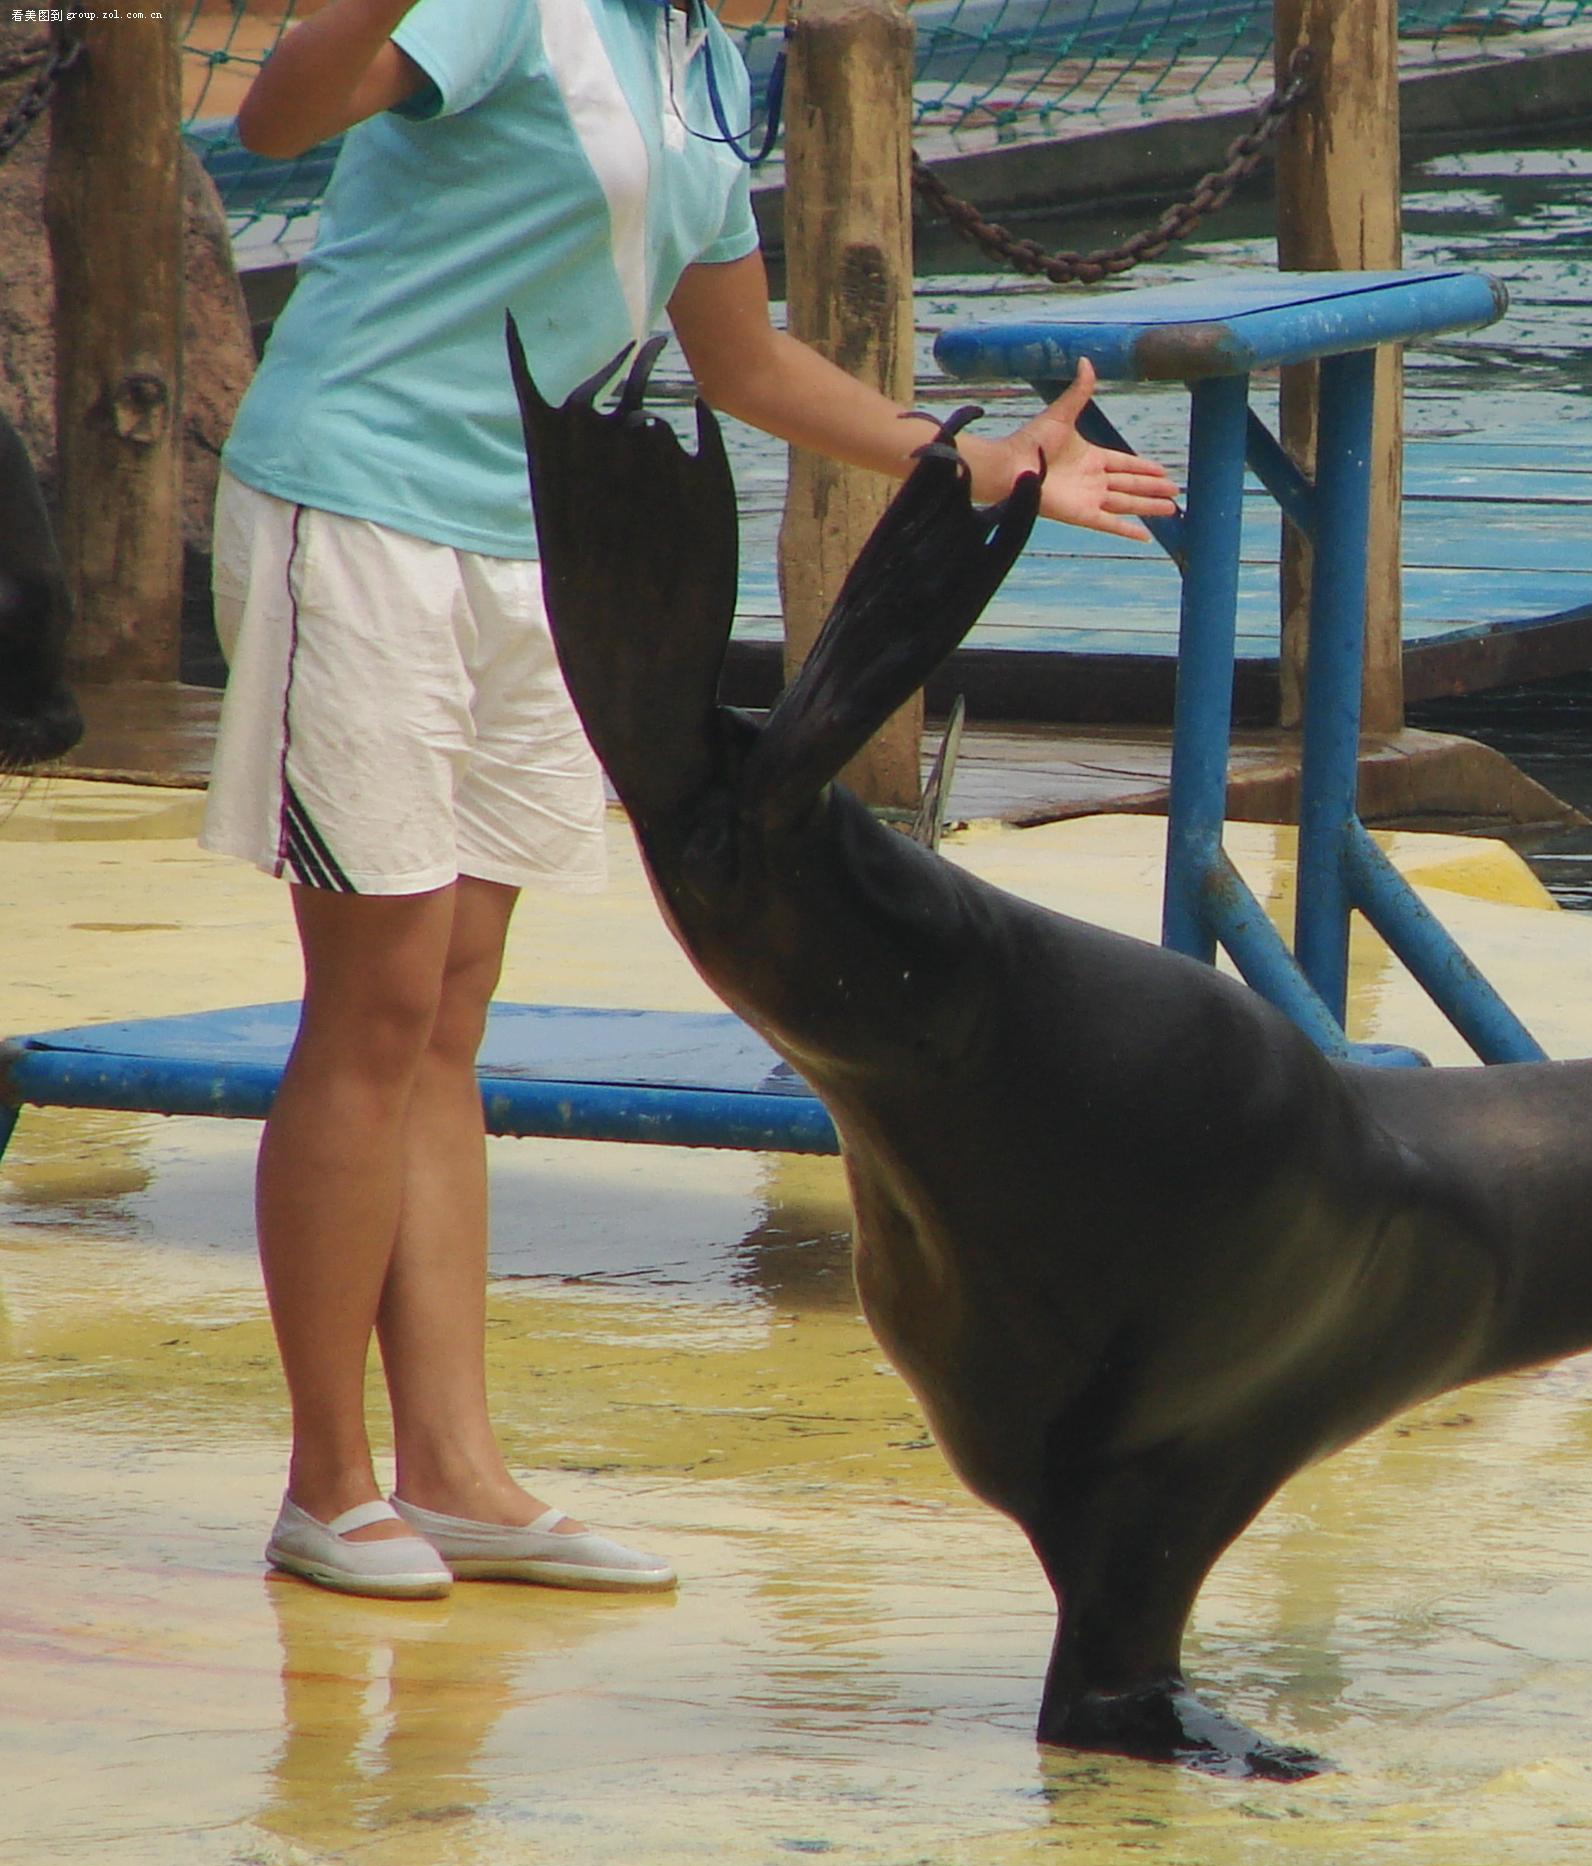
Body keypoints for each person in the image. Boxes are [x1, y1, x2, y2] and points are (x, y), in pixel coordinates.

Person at [208, 0, 1176, 1598]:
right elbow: (279, 123)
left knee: (451, 1008)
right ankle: (330, 1483)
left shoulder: (704, 70)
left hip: (541, 551)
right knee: (373, 1005)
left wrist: (972, 459)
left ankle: (455, 1473)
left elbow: (740, 359)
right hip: (360, 511)